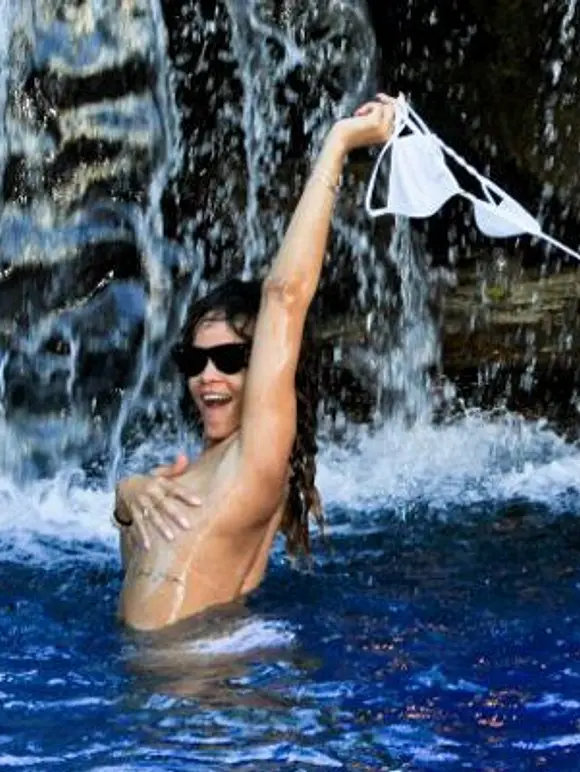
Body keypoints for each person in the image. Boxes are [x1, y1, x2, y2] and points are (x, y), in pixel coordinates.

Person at [112, 94, 398, 631]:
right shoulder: (189, 474)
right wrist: (126, 499)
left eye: (229, 359)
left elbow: (285, 295)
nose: (208, 376)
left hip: (194, 670)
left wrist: (339, 144)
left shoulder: (257, 460)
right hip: (153, 672)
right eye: (196, 360)